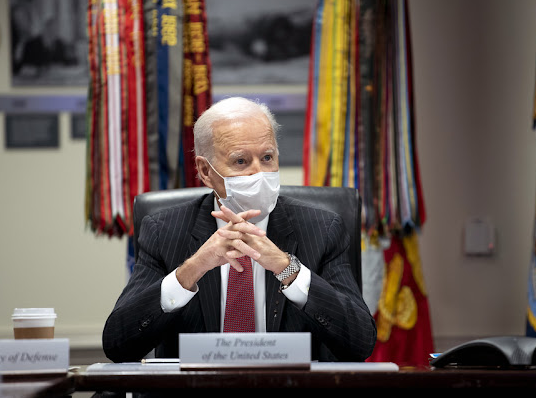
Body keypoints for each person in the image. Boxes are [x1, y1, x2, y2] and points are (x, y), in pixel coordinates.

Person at [102, 97, 377, 362]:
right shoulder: (165, 232)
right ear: (205, 171)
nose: (259, 173)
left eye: (267, 157)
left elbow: (360, 342)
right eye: (241, 161)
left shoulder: (322, 229)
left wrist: (287, 268)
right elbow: (118, 345)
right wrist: (192, 269)